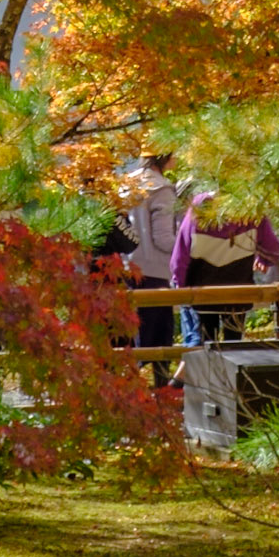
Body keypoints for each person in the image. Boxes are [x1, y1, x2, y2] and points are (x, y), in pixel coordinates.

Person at [170, 191, 279, 346]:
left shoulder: (199, 209)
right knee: (234, 346)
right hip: (239, 292)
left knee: (205, 347)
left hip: (202, 293)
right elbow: (272, 248)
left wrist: (181, 287)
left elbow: (179, 258)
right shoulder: (249, 208)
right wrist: (263, 260)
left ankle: (209, 370)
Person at [123, 155, 182, 385]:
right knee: (159, 340)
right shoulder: (162, 189)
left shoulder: (126, 184)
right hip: (155, 270)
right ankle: (160, 397)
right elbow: (164, 238)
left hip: (127, 268)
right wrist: (188, 248)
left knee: (132, 336)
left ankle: (128, 393)